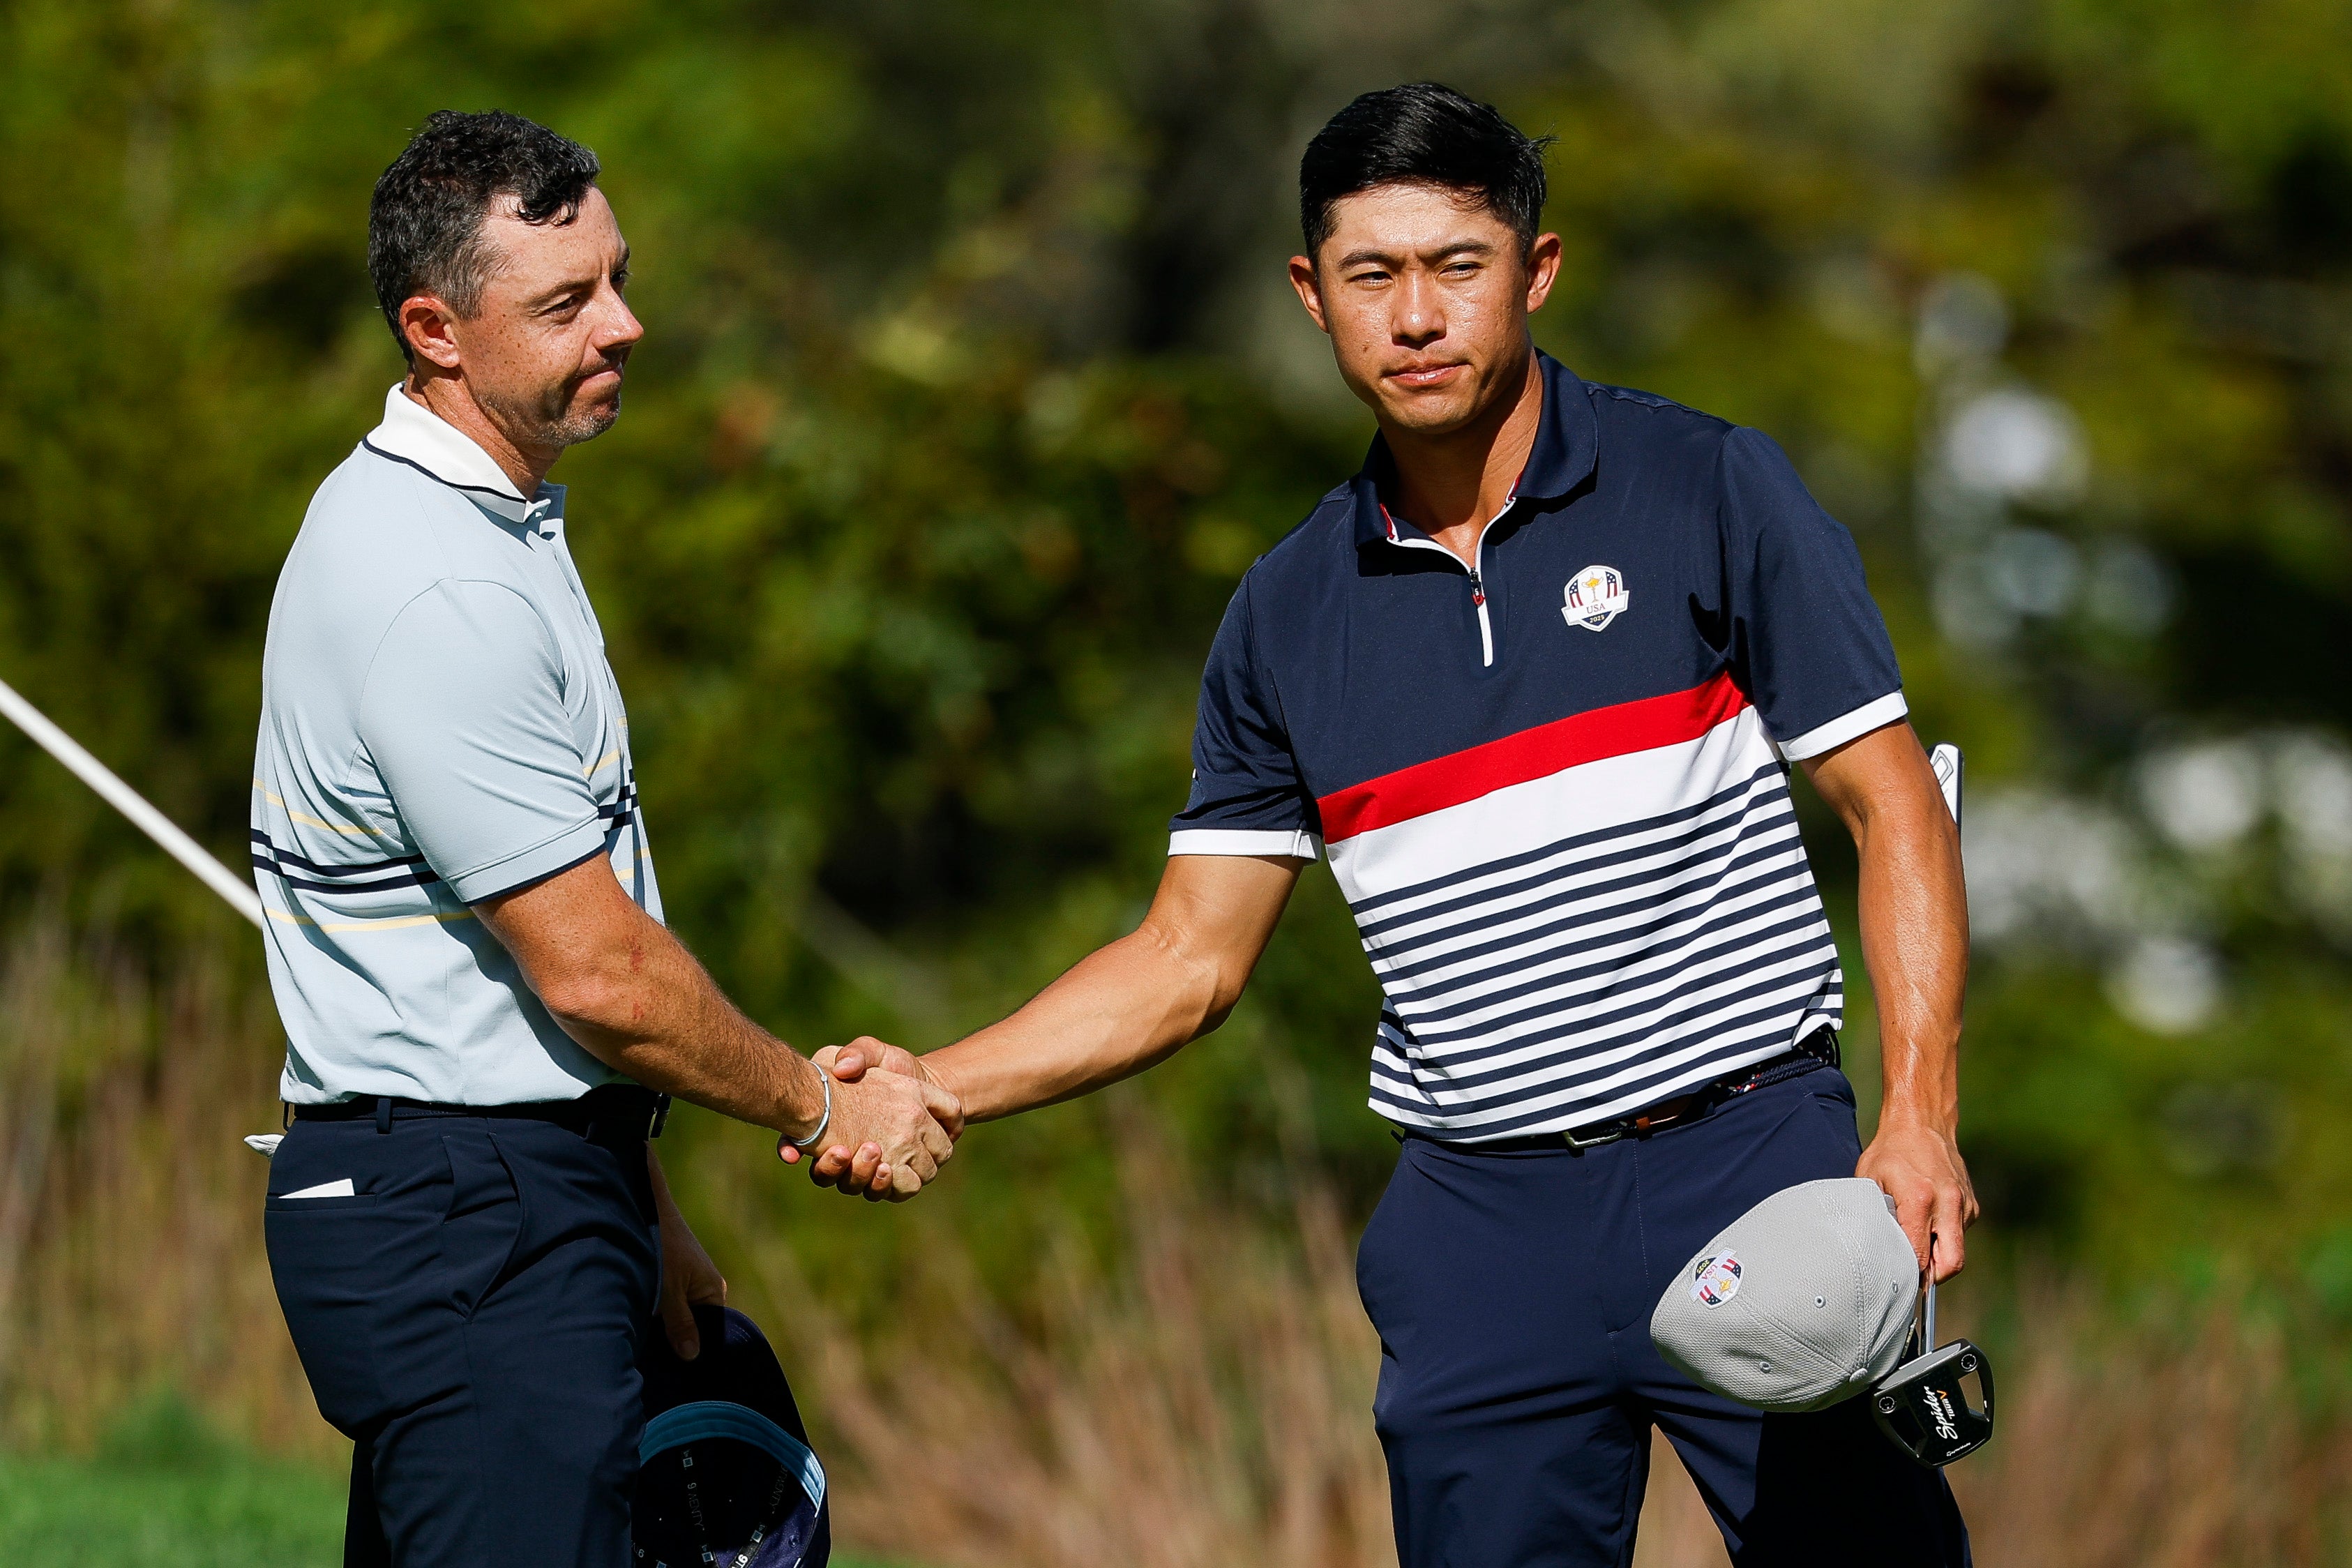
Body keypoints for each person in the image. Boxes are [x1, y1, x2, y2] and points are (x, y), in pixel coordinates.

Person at [815, 83, 1976, 1565]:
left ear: (1536, 274)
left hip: (1750, 1167)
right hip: (1480, 1226)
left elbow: (1895, 808)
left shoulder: (1708, 486)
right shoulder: (1286, 613)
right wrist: (937, 1081)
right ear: (1312, 295)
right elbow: (1188, 955)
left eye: (1458, 267)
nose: (1416, 316)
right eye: (1372, 275)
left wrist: (1921, 1112)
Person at [252, 110, 959, 1568]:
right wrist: (817, 1107)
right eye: (567, 303)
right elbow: (598, 975)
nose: (626, 325)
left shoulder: (490, 530)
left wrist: (641, 1210)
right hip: (469, 1226)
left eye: (618, 278)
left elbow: (521, 988)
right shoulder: (436, 585)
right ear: (436, 329)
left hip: (520, 1195)